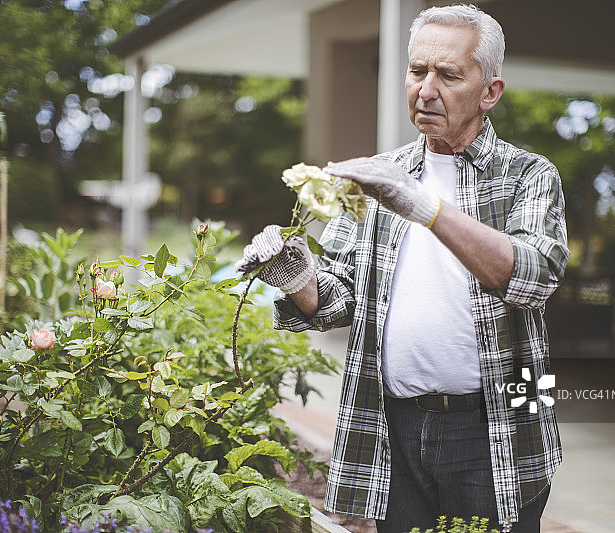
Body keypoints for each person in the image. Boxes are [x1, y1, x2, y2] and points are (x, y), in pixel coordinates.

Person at [237, 4, 568, 532]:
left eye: (449, 75)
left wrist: (424, 207)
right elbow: (339, 298)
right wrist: (295, 274)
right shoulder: (381, 174)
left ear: (491, 92)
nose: (426, 89)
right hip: (392, 422)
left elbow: (537, 277)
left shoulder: (528, 174)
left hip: (497, 426)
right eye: (418, 71)